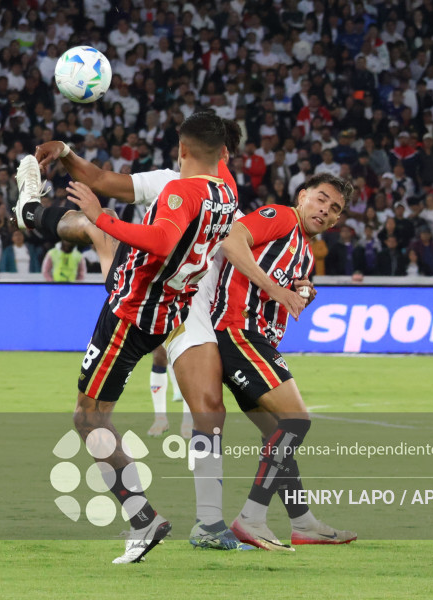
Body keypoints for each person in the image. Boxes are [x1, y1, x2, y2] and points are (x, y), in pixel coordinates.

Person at [55, 112, 238, 564]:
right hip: (166, 312)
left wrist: (101, 217)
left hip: (130, 313)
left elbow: (160, 240)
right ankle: (177, 518)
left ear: (182, 149)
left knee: (87, 419)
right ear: (223, 153)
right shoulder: (226, 192)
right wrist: (65, 155)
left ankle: (143, 518)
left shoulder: (179, 191)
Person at [210, 173, 357, 549]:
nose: (325, 210)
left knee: (278, 432)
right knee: (296, 420)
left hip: (252, 338)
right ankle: (251, 518)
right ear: (303, 195)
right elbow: (232, 240)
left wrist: (299, 290)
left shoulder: (304, 250)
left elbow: (282, 287)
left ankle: (303, 523)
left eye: (335, 209)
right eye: (321, 199)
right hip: (237, 330)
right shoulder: (280, 216)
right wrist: (276, 289)